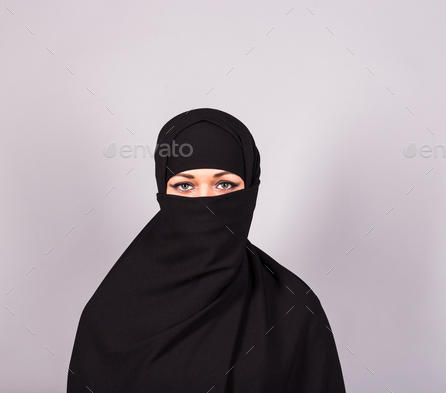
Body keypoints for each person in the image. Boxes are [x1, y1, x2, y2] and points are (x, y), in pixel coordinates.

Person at [67, 108, 347, 392]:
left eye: (224, 184)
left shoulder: (293, 309)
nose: (206, 201)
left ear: (250, 188)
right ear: (163, 191)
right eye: (185, 185)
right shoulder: (109, 313)